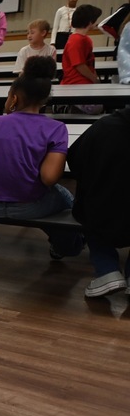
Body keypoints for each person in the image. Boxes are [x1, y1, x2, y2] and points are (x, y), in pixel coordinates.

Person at [0, 57, 83, 260]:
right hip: (30, 206)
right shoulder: (56, 129)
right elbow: (49, 178)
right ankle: (67, 247)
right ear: (44, 100)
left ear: (14, 98)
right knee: (66, 197)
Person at [69, 106, 130, 297]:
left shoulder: (103, 126)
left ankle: (106, 270)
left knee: (88, 206)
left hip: (102, 210)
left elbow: (75, 161)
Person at [61, 4, 103, 85]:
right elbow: (79, 65)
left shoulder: (85, 39)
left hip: (84, 80)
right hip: (75, 82)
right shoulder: (75, 40)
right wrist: (94, 79)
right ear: (90, 22)